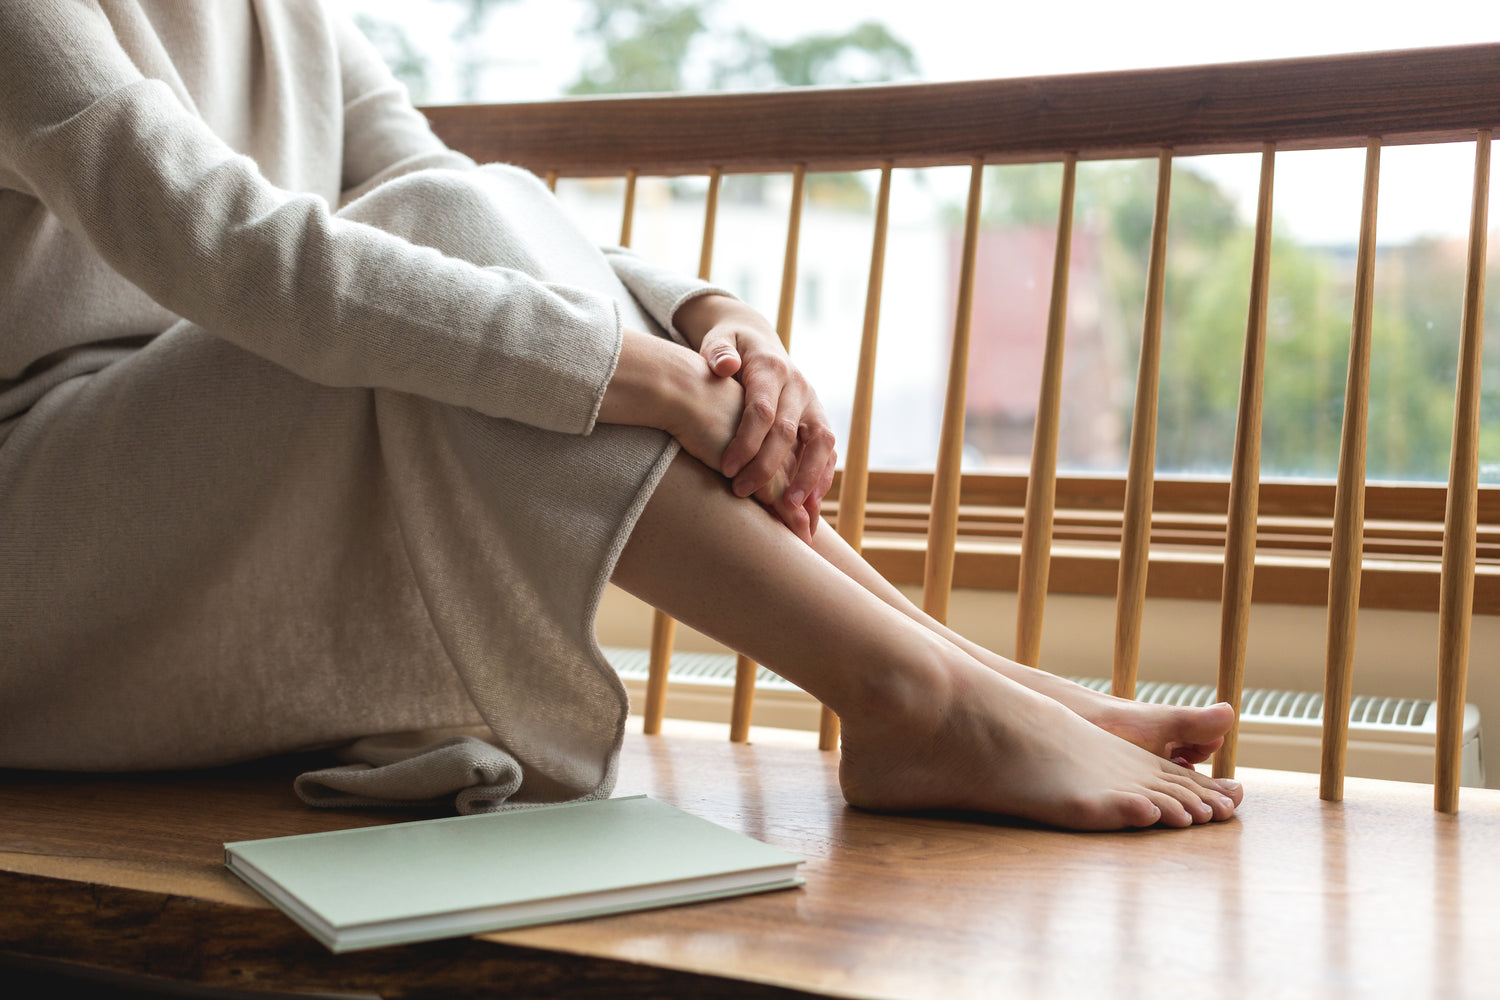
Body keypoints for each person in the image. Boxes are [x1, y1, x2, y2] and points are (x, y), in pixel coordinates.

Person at [0, 0, 1242, 830]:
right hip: (41, 564)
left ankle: (954, 679)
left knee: (457, 208)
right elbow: (234, 251)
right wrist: (629, 374)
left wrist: (711, 316)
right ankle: (912, 689)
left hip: (196, 503)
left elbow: (436, 185)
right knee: (440, 251)